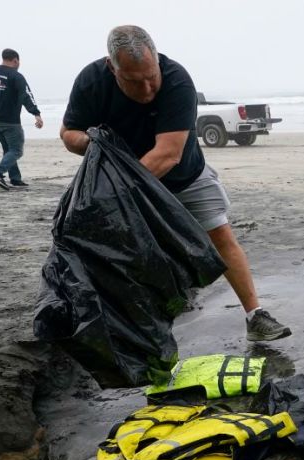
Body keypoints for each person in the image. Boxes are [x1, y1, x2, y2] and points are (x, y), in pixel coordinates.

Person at [59, 25, 291, 342]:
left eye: (151, 76)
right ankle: (143, 335)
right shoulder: (91, 82)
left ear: (157, 60)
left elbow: (167, 154)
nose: (147, 89)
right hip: (123, 184)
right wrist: (93, 142)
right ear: (112, 67)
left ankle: (255, 316)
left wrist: (121, 198)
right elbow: (68, 134)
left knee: (221, 237)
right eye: (134, 80)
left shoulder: (177, 80)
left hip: (183, 177)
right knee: (134, 258)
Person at [0, 48, 43, 190]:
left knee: (8, 149)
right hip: (10, 122)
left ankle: (15, 178)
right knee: (17, 150)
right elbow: (26, 95)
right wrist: (36, 114)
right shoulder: (16, 76)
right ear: (15, 60)